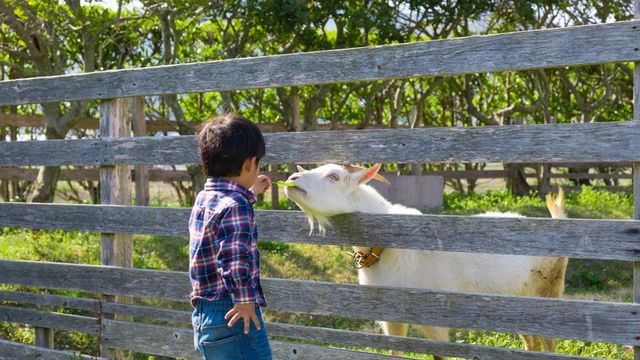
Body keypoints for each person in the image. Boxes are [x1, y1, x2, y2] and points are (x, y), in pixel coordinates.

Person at [189, 113, 272, 359]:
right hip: (234, 311)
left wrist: (252, 190)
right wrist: (245, 299)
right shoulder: (237, 206)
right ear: (249, 164)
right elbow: (235, 257)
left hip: (205, 313)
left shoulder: (204, 198)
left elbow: (223, 223)